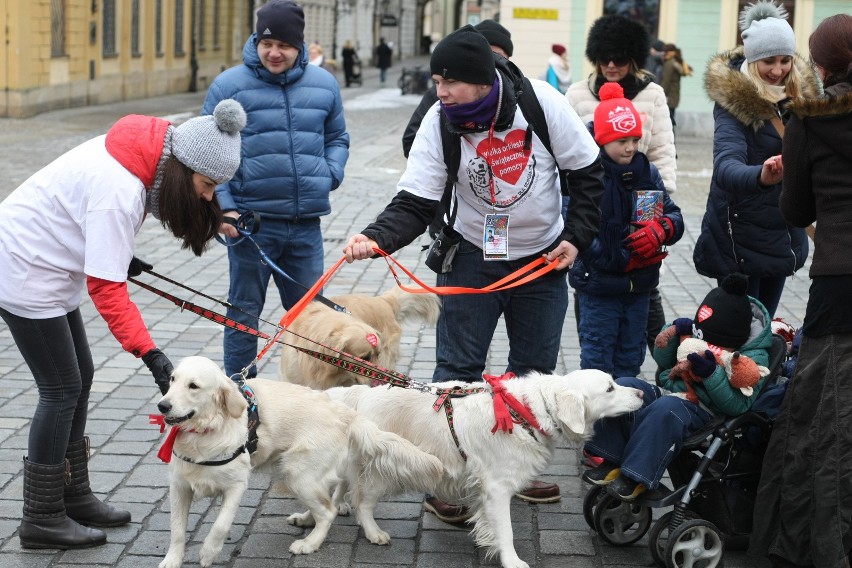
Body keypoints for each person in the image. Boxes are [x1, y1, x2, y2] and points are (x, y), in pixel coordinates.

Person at [343, 25, 604, 522]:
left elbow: (588, 175)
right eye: (435, 80)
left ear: (481, 81)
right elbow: (415, 200)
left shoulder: (541, 103)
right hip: (472, 254)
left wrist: (575, 239)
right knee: (455, 374)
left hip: (544, 260)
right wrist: (376, 238)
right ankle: (444, 478)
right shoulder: (439, 119)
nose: (438, 91)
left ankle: (512, 472)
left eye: (448, 81)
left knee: (533, 374)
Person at [0, 97, 246, 549]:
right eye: (207, 185)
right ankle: (41, 516)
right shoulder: (120, 190)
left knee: (80, 377)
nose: (208, 197)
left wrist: (116, 254)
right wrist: (150, 353)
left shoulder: (146, 155)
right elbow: (106, 291)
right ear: (183, 167)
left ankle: (73, 495)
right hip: (25, 269)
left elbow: (81, 218)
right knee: (60, 389)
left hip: (47, 264)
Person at [749, 14, 852, 568]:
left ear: (823, 63)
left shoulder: (810, 119)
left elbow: (796, 209)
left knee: (826, 412)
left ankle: (819, 543)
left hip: (841, 277)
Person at [202, 0, 349, 378]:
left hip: (305, 225)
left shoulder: (324, 84)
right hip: (251, 225)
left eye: (284, 44)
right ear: (257, 40)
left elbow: (337, 137)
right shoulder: (229, 86)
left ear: (299, 45)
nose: (274, 52)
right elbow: (205, 152)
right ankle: (239, 391)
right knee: (243, 312)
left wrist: (329, 173)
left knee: (311, 318)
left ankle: (309, 395)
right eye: (267, 43)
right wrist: (226, 207)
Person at [582, 273, 773, 501]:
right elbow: (664, 363)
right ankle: (610, 455)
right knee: (624, 385)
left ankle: (636, 475)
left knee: (666, 409)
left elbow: (739, 405)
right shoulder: (697, 333)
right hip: (675, 391)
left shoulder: (752, 359)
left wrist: (711, 375)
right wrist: (672, 336)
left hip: (705, 410)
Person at [693, 0, 818, 318]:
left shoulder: (801, 99)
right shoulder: (734, 103)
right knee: (741, 337)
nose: (778, 70)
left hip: (783, 231)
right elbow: (725, 166)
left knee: (764, 332)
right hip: (741, 239)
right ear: (752, 59)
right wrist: (761, 175)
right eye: (768, 62)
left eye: (784, 60)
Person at [565, 14, 676, 356]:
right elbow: (565, 150)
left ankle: (663, 364)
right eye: (604, 58)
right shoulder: (577, 93)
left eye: (620, 58)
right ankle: (595, 358)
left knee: (644, 289)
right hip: (594, 200)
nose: (611, 65)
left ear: (633, 58)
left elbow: (660, 149)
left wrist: (660, 206)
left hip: (641, 198)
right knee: (592, 284)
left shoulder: (653, 93)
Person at [569, 82, 684, 379]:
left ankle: (625, 423)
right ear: (602, 140)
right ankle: (597, 425)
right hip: (600, 289)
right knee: (597, 362)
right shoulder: (587, 174)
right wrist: (618, 259)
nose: (631, 147)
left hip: (639, 289)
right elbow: (576, 229)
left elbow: (673, 215)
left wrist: (662, 229)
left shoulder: (646, 172)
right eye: (622, 140)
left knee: (631, 361)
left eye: (634, 139)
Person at [401, 19, 514, 159]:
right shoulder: (441, 97)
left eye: (497, 57)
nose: (490, 64)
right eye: (485, 57)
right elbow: (412, 142)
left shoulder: (524, 96)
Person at [660, 43, 691, 138]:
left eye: (666, 51)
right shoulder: (675, 62)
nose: (665, 53)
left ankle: (670, 142)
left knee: (668, 122)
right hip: (674, 96)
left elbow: (666, 81)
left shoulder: (669, 63)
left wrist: (661, 95)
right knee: (670, 120)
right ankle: (671, 141)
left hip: (668, 97)